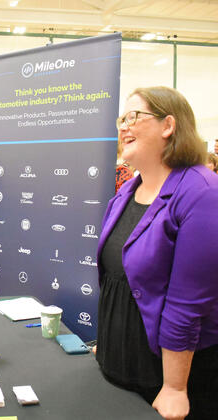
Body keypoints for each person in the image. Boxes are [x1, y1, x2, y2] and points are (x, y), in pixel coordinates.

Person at [96, 86, 218, 420]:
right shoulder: (126, 193)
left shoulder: (202, 194)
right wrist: (107, 344)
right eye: (122, 118)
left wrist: (175, 387)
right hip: (118, 372)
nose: (123, 126)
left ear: (168, 126)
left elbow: (188, 303)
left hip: (165, 388)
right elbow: (118, 281)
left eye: (134, 116)